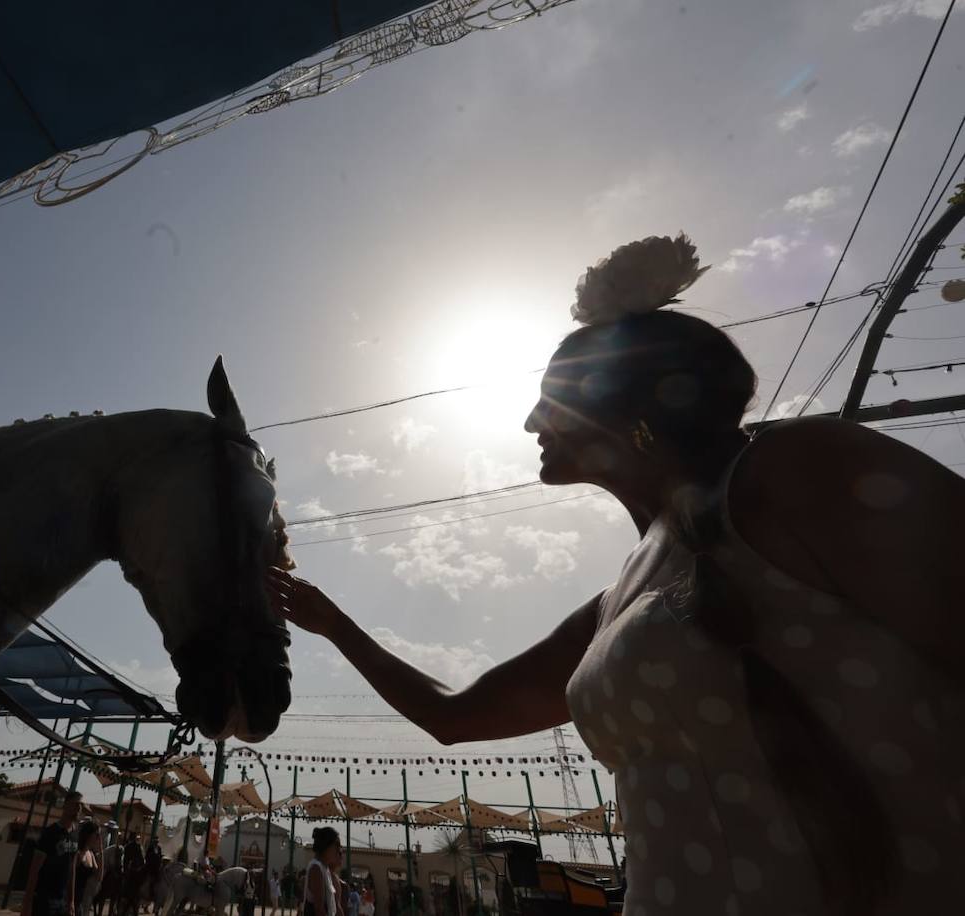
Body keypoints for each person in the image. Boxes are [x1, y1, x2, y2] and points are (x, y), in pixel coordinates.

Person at [267, 233, 965, 916]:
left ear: (631, 404)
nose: (529, 420)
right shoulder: (616, 606)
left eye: (554, 396)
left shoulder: (797, 471)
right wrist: (335, 626)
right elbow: (455, 715)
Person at [23, 789, 84, 916]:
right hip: (44, 898)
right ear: (66, 805)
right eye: (76, 804)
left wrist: (71, 901)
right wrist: (27, 903)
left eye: (81, 805)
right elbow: (34, 869)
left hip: (62, 900)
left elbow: (71, 868)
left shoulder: (75, 835)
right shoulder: (50, 833)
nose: (79, 808)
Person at [303, 828, 341, 916]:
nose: (338, 850)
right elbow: (319, 909)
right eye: (336, 845)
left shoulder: (324, 868)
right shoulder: (316, 868)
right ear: (327, 846)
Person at [74, 821, 101, 916]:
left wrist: (101, 849)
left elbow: (99, 877)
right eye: (96, 835)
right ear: (88, 835)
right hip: (73, 898)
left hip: (82, 900)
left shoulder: (91, 854)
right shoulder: (77, 853)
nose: (98, 838)